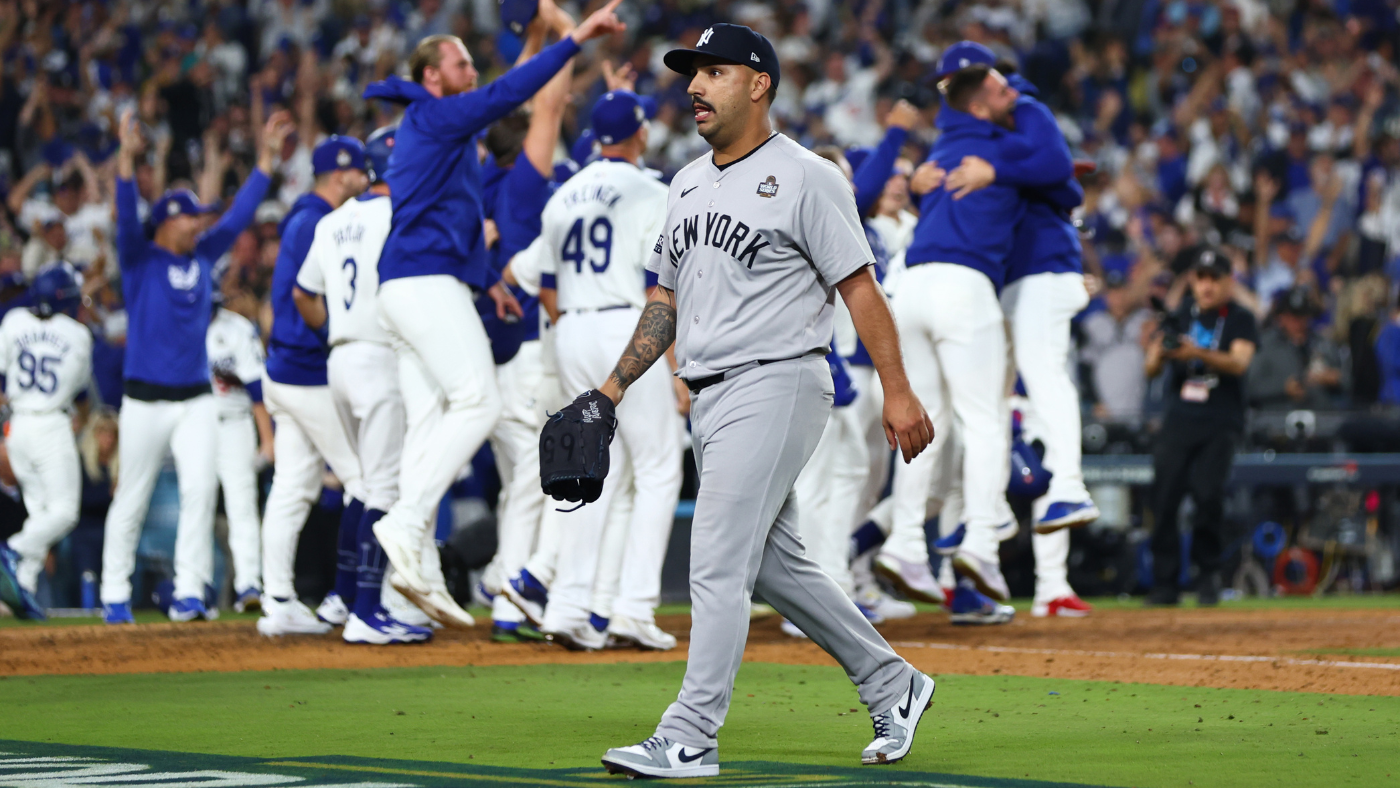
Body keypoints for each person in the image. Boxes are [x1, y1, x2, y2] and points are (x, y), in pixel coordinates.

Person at [594, 24, 935, 779]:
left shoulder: (809, 175)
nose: (695, 86)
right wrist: (611, 388)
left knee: (715, 561)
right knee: (776, 566)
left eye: (714, 72)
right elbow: (664, 300)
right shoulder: (685, 182)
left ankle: (690, 734)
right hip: (711, 395)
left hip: (777, 377)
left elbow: (860, 288)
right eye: (692, 74)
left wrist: (898, 391)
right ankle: (893, 683)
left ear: (759, 83)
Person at [358, 0, 627, 600]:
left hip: (418, 285)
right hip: (425, 283)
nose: (471, 69)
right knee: (475, 404)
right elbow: (513, 97)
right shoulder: (432, 117)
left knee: (431, 424)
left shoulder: (448, 137)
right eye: (460, 62)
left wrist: (492, 282)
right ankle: (405, 525)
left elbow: (505, 98)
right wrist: (574, 34)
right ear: (433, 75)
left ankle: (419, 565)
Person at [509, 89, 683, 653]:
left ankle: (567, 606)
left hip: (571, 329)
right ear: (639, 134)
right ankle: (633, 609)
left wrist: (573, 336)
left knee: (590, 469)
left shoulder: (564, 194)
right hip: (624, 323)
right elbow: (660, 286)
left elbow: (541, 284)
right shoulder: (653, 190)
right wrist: (675, 368)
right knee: (658, 468)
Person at [100, 109, 288, 625]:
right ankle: (114, 594)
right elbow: (123, 206)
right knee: (132, 497)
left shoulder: (203, 256)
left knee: (200, 492)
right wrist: (125, 158)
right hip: (142, 399)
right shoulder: (139, 259)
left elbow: (238, 215)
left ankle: (189, 591)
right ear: (167, 221)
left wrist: (267, 162)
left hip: (195, 399)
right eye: (189, 215)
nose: (199, 222)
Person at [878, 63, 1047, 604]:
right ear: (978, 104)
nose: (1012, 96)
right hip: (962, 284)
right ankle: (979, 544)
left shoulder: (943, 150)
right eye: (1000, 90)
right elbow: (1060, 168)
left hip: (913, 288)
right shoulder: (1007, 144)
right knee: (986, 420)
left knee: (929, 423)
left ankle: (904, 545)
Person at [293, 126, 434, 645]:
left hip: (340, 359)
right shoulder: (397, 214)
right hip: (378, 359)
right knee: (380, 487)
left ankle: (349, 597)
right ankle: (367, 611)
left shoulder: (332, 220)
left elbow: (302, 294)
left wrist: (336, 327)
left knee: (363, 484)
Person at [477, 3, 579, 643]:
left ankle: (506, 583)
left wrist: (535, 36)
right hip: (516, 354)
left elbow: (512, 107)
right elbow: (541, 109)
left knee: (522, 483)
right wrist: (563, 32)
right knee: (533, 485)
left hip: (478, 347)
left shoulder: (484, 178)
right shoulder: (517, 189)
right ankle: (512, 592)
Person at [258, 135, 376, 637]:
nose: (365, 179)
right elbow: (308, 301)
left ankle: (278, 599)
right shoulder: (318, 221)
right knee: (363, 481)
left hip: (283, 371)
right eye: (358, 172)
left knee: (293, 486)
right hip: (306, 372)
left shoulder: (303, 218)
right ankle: (347, 598)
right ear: (339, 174)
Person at [1144, 248, 1257, 606]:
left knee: (1208, 495)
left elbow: (1239, 363)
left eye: (1214, 279)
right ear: (1192, 281)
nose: (1206, 286)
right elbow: (1149, 368)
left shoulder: (1240, 318)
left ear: (1228, 282)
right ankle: (1165, 583)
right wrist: (1162, 350)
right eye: (1201, 278)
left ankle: (1207, 576)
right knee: (1164, 498)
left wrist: (1197, 354)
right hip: (1179, 418)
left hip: (1220, 418)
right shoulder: (1179, 315)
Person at [0, 263, 92, 620]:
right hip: (51, 423)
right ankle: (14, 551)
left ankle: (20, 590)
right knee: (65, 513)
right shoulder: (78, 334)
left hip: (18, 426)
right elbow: (80, 394)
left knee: (40, 513)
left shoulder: (13, 322)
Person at [206, 292, 274, 613]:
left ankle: (249, 584)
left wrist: (267, 438)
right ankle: (193, 587)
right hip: (196, 424)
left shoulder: (236, 329)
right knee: (197, 505)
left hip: (234, 423)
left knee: (241, 505)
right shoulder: (177, 322)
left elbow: (257, 387)